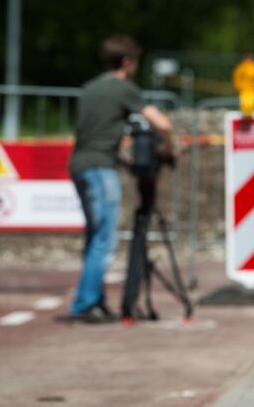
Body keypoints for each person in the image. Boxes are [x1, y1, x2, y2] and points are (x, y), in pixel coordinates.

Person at [61, 35, 174, 323]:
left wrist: (122, 160)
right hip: (100, 169)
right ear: (127, 62)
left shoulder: (89, 89)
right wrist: (169, 148)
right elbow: (162, 123)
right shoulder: (123, 89)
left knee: (93, 235)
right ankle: (83, 305)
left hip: (80, 165)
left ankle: (95, 299)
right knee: (104, 238)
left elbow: (93, 136)